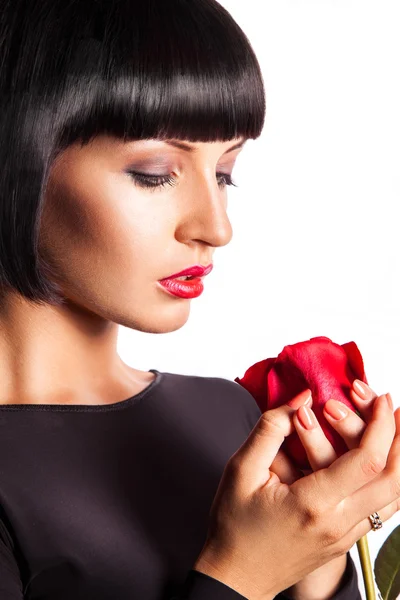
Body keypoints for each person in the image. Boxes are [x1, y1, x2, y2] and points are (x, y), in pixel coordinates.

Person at [0, 0, 399, 599]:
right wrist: (242, 577)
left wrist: (318, 558)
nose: (216, 228)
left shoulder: (235, 418)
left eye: (224, 173)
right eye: (156, 173)